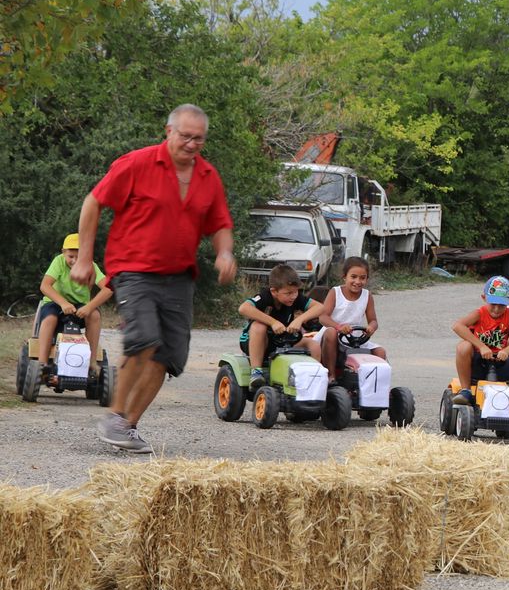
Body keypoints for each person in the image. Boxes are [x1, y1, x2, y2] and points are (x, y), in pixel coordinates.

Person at [71, 104, 236, 454]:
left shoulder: (208, 176)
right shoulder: (137, 163)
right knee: (144, 338)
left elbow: (219, 222)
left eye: (199, 139)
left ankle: (127, 426)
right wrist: (85, 258)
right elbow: (93, 203)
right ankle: (114, 415)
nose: (191, 144)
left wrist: (224, 253)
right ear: (169, 131)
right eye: (185, 136)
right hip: (134, 269)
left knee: (169, 355)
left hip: (178, 276)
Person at [451, 275, 509, 424]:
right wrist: (481, 346)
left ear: (508, 303)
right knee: (463, 346)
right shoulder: (480, 313)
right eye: (493, 304)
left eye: (501, 305)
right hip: (478, 363)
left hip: (499, 362)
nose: (496, 309)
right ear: (484, 298)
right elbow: (457, 326)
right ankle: (466, 391)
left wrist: (507, 351)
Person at [36, 233, 113, 379]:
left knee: (95, 315)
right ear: (63, 252)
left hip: (80, 307)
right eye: (71, 256)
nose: (74, 260)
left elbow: (109, 288)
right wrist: (63, 303)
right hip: (55, 303)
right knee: (50, 319)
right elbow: (45, 286)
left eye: (79, 257)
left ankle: (91, 363)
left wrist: (89, 306)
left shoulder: (91, 266)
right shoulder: (58, 262)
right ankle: (42, 364)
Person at [239, 263, 324, 390]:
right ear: (274, 291)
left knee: (313, 344)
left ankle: (312, 378)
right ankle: (256, 372)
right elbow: (243, 308)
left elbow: (320, 307)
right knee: (259, 326)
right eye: (288, 293)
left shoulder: (295, 298)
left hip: (283, 341)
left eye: (296, 292)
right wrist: (273, 322)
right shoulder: (265, 297)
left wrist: (299, 320)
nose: (293, 296)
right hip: (257, 342)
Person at [316, 256, 385, 380]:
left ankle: (375, 384)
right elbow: (323, 317)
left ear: (367, 279)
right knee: (331, 333)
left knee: (380, 352)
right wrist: (339, 327)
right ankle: (331, 375)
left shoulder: (367, 296)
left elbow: (373, 320)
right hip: (333, 334)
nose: (358, 282)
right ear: (344, 276)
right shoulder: (335, 292)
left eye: (362, 278)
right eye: (353, 277)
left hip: (356, 337)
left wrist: (371, 327)